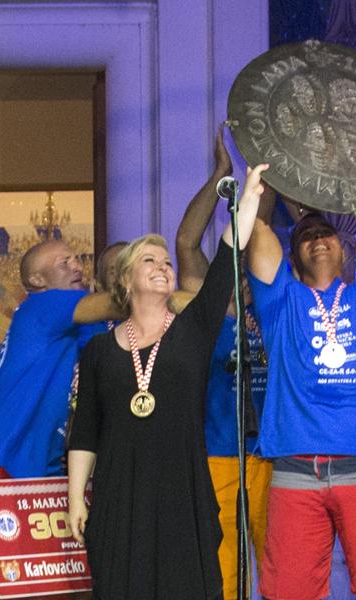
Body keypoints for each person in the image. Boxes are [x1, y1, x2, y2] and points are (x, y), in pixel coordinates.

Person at [67, 164, 269, 599]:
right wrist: (75, 496)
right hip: (119, 496)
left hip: (182, 493)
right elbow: (85, 431)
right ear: (125, 279)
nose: (163, 267)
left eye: (166, 262)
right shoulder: (98, 350)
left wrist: (249, 199)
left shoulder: (193, 331)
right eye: (149, 260)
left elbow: (224, 263)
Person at [247, 185, 356, 599]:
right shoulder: (279, 299)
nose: (317, 239)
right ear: (292, 259)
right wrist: (268, 165)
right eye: (305, 236)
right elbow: (257, 226)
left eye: (324, 232)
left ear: (344, 248)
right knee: (289, 594)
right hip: (296, 469)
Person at [0, 238, 125, 600]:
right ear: (36, 280)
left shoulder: (76, 325)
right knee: (3, 591)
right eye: (64, 262)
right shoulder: (42, 306)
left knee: (57, 589)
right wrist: (151, 285)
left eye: (78, 259)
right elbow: (117, 303)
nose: (77, 266)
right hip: (6, 473)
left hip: (45, 476)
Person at [174, 125, 275, 600]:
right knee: (224, 572)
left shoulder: (271, 302)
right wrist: (221, 173)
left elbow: (264, 225)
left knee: (278, 567)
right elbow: (185, 243)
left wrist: (271, 168)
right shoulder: (208, 303)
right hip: (218, 452)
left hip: (270, 454)